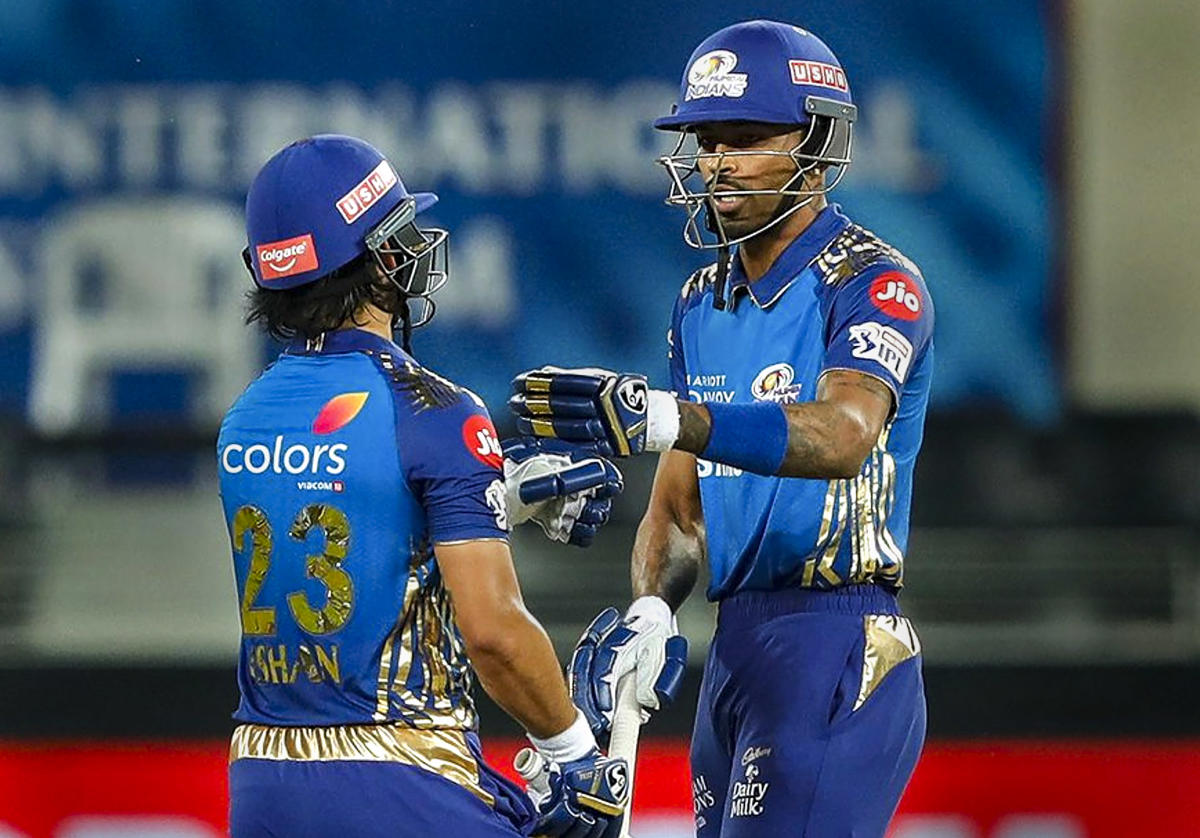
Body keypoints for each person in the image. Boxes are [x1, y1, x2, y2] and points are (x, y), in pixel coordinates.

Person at [511, 20, 932, 837]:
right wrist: (652, 611)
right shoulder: (699, 299)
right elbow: (679, 506)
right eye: (706, 139)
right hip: (733, 647)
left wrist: (669, 415)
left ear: (816, 143)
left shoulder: (876, 284)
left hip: (837, 637)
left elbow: (845, 435)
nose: (716, 163)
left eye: (745, 138)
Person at [219, 134, 629, 838]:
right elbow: (494, 635)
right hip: (404, 776)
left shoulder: (244, 417)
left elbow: (362, 507)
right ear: (377, 262)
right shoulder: (435, 411)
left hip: (261, 780)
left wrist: (499, 492)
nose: (414, 247)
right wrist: (575, 752)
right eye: (399, 232)